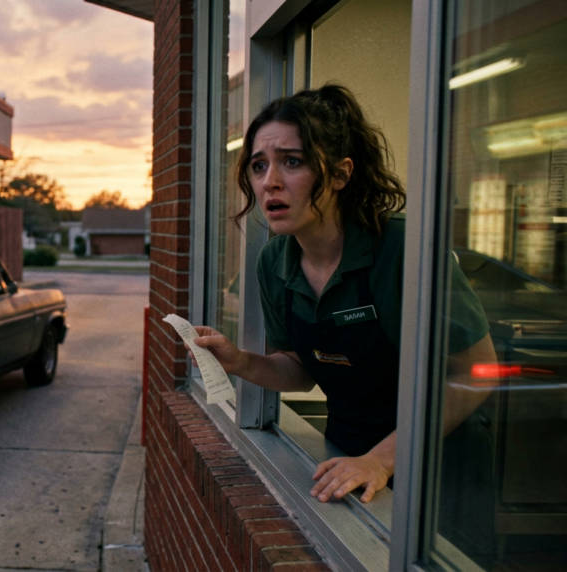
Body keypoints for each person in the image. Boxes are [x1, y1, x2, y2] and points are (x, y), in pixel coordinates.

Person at [191, 84, 496, 506]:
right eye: (259, 166)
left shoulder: (404, 249)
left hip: (442, 471)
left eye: (292, 162)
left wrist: (381, 460)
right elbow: (301, 371)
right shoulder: (273, 263)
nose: (269, 182)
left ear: (340, 174)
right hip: (347, 460)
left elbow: (476, 372)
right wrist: (240, 362)